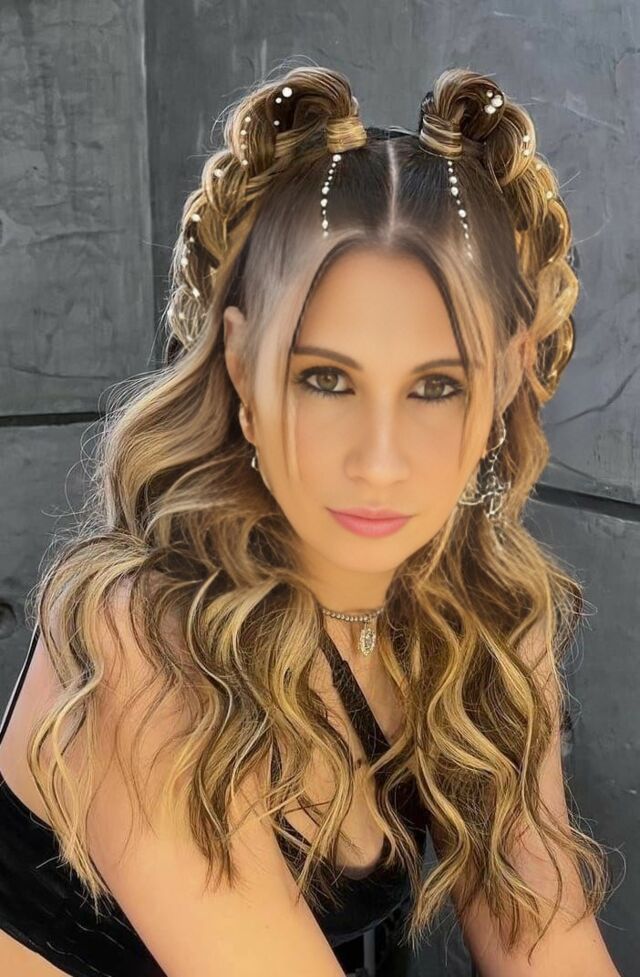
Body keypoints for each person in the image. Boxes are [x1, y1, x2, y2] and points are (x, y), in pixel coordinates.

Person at [0, 63, 620, 977]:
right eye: (326, 379)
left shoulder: (483, 620)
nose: (379, 460)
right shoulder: (143, 638)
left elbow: (550, 944)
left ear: (505, 381)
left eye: (435, 387)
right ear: (243, 369)